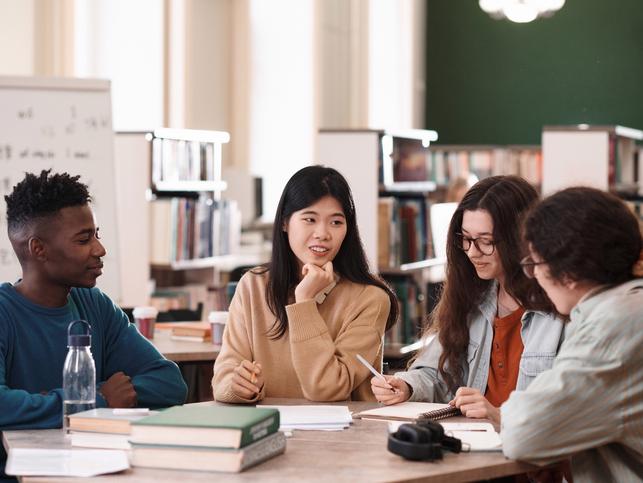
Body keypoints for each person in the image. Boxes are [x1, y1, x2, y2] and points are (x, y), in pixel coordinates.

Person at [0, 170, 187, 473]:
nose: (100, 250)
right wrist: (94, 400)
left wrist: (95, 397)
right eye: (84, 239)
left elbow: (169, 381)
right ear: (38, 249)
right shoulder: (4, 313)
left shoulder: (94, 304)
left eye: (96, 235)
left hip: (97, 467)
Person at [371, 176, 564, 425]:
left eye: (486, 241)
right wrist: (406, 386)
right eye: (465, 238)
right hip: (475, 447)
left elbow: (568, 412)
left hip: (532, 454)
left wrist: (499, 416)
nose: (472, 252)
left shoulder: (561, 308)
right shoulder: (471, 297)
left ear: (519, 239)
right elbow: (438, 373)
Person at [212, 165, 398, 403]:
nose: (322, 233)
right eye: (310, 219)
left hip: (344, 436)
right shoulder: (253, 286)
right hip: (268, 427)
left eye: (336, 222)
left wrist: (305, 304)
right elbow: (224, 378)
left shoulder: (370, 299)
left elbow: (326, 388)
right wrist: (238, 386)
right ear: (284, 223)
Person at [501, 187, 643, 482]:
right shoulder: (627, 307)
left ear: (566, 271)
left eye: (534, 264)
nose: (535, 276)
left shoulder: (613, 326)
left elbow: (523, 432)